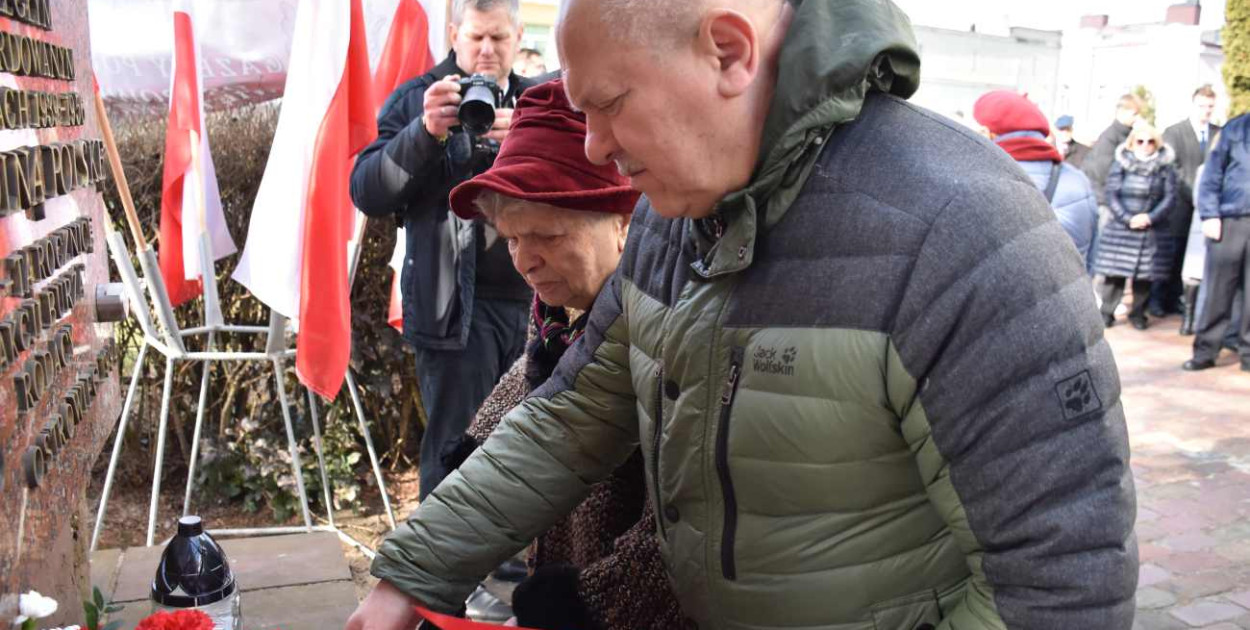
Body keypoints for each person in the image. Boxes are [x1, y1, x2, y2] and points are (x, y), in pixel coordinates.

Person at [348, 1, 1137, 629]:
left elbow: (1061, 586)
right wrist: (411, 574)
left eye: (610, 104)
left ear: (729, 51)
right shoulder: (671, 215)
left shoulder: (967, 234)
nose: (593, 150)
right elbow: (574, 414)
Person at [437, 80, 693, 630]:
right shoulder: (562, 305)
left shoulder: (671, 329)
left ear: (625, 222)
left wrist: (589, 603)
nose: (524, 261)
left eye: (546, 236)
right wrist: (471, 461)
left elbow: (686, 528)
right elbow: (539, 375)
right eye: (510, 238)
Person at [350, 0, 544, 500]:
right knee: (456, 446)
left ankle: (505, 566)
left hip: (535, 305)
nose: (486, 51)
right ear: (454, 34)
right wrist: (425, 132)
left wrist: (527, 143)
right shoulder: (420, 97)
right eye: (476, 37)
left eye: (499, 39)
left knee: (526, 446)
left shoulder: (536, 102)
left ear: (518, 36)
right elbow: (368, 191)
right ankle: (445, 575)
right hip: (451, 310)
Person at [974, 91, 1098, 266]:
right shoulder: (1077, 181)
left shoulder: (975, 175)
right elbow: (1090, 258)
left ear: (987, 132)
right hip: (1066, 289)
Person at [1091, 123, 1179, 329]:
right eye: (1140, 141)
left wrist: (1149, 217)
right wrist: (1127, 217)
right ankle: (1106, 313)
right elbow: (1111, 193)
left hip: (1151, 228)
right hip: (1122, 226)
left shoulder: (1166, 168)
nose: (1145, 145)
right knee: (1114, 275)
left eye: (1150, 141)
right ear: (1132, 143)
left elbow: (1170, 197)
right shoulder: (1120, 164)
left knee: (1144, 277)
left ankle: (1138, 314)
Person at [1184, 112, 1250, 372]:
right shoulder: (1236, 129)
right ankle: (1205, 351)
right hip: (1230, 219)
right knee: (1218, 291)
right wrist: (1210, 214)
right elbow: (1213, 174)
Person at [1162, 85, 1222, 328]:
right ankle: (1164, 300)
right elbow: (1171, 166)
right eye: (1202, 106)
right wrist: (1192, 193)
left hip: (1206, 209)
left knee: (1198, 259)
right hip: (1180, 204)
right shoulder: (1175, 132)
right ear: (1193, 105)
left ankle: (1189, 303)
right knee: (1174, 254)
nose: (1206, 111)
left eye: (1210, 106)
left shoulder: (1220, 133)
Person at [1084, 94, 1144, 210]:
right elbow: (1103, 173)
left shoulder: (1126, 135)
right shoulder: (1110, 137)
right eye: (1134, 114)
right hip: (1104, 201)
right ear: (1122, 112)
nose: (1137, 118)